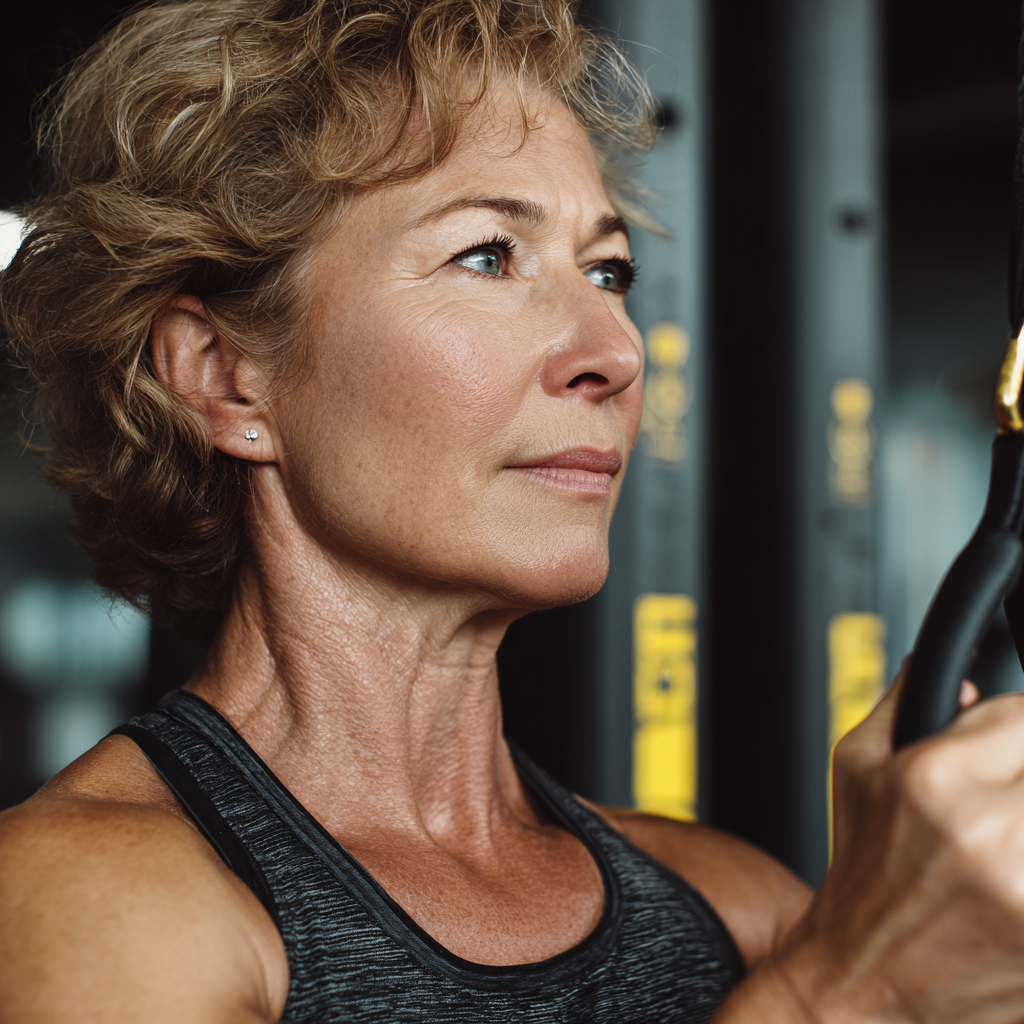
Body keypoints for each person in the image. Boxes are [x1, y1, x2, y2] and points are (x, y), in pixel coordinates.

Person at [4, 1, 1024, 1021]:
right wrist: (851, 991)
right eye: (489, 255)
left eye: (609, 271)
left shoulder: (737, 904)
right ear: (225, 377)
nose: (618, 352)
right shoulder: (77, 891)